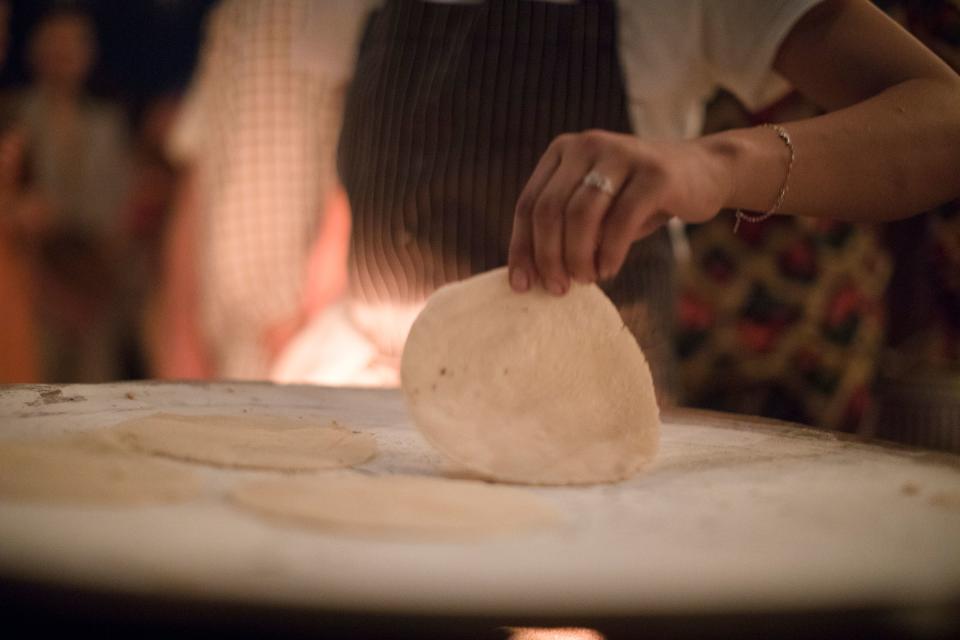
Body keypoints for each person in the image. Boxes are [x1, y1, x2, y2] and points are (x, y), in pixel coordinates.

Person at [276, 0, 960, 403]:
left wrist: (717, 163)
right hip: (380, 419)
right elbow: (363, 191)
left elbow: (944, 119)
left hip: (586, 454)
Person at [159, 0, 361, 380]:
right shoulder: (230, 16)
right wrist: (182, 327)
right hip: (225, 338)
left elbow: (364, 130)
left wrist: (316, 314)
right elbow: (197, 169)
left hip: (305, 331)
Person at [13, 7, 130, 382]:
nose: (64, 52)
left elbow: (116, 211)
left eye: (74, 42)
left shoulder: (106, 125)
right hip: (31, 288)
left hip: (91, 286)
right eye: (55, 41)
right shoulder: (15, 117)